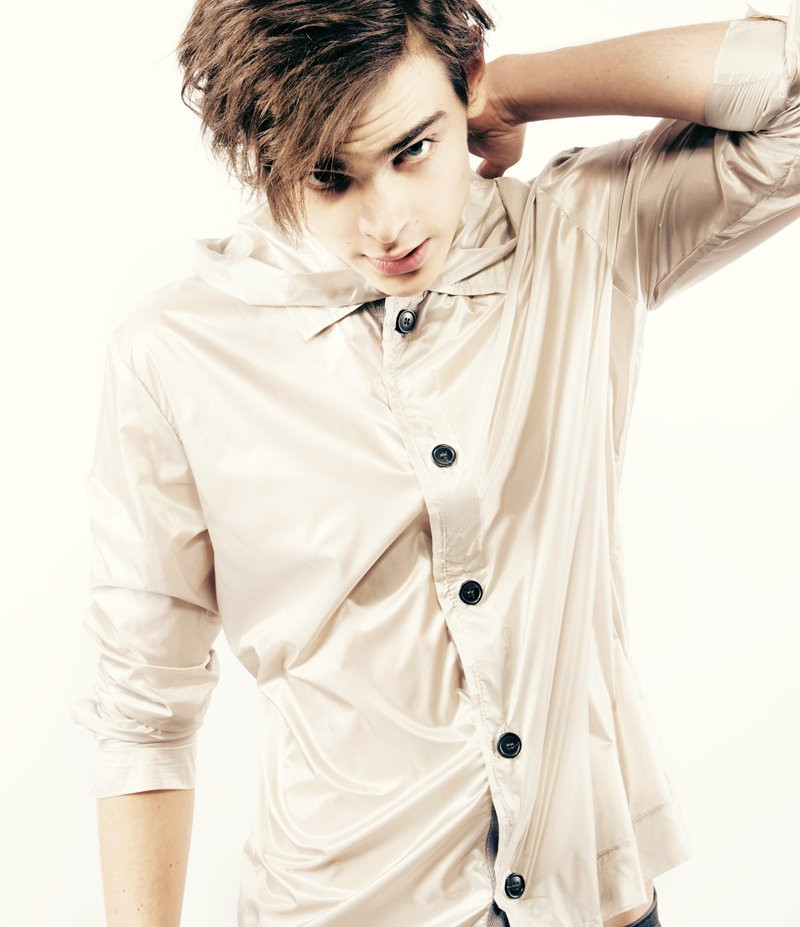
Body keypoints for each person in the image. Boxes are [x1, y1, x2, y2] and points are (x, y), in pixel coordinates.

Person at [70, 1, 800, 925]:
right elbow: (144, 710)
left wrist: (512, 90)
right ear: (268, 160)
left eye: (414, 148)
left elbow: (788, 94)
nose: (388, 222)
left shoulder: (578, 236)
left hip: (592, 899)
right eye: (330, 177)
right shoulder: (177, 353)